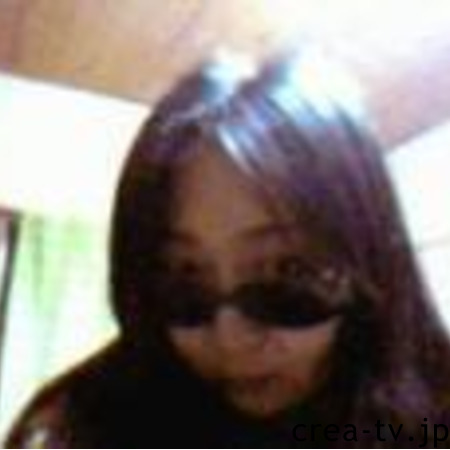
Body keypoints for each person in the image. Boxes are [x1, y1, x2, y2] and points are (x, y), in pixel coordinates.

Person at [6, 46, 450, 448]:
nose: (231, 339)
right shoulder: (85, 426)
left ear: (369, 264)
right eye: (184, 280)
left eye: (287, 273)